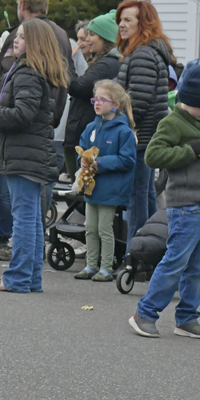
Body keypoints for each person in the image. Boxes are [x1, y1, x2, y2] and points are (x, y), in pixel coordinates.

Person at [128, 63, 200, 338]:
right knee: (176, 261)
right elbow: (152, 155)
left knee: (198, 266)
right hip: (186, 207)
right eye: (199, 106)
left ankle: (187, 318)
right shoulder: (172, 123)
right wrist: (188, 151)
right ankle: (144, 313)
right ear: (185, 100)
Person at [0, 20, 67, 292]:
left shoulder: (29, 71)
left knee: (25, 218)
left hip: (24, 153)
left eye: (21, 37)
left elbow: (23, 114)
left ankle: (17, 277)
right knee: (31, 218)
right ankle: (31, 278)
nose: (15, 40)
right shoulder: (34, 69)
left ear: (36, 42)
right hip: (30, 152)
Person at [115, 0, 175, 234]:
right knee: (146, 194)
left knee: (138, 198)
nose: (121, 24)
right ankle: (148, 249)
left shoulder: (142, 54)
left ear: (144, 24)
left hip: (140, 137)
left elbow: (137, 102)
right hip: (147, 137)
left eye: (128, 19)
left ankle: (136, 256)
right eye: (120, 19)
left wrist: (117, 117)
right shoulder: (148, 51)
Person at [74, 80, 137, 281]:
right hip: (92, 187)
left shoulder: (123, 131)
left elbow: (127, 160)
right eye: (95, 99)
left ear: (116, 104)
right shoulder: (91, 127)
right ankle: (91, 265)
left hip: (111, 188)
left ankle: (106, 268)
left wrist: (99, 163)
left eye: (102, 99)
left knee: (104, 228)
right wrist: (82, 161)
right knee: (90, 227)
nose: (97, 103)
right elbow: (82, 149)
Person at [64, 10, 122, 174]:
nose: (87, 40)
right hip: (85, 133)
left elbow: (78, 87)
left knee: (82, 190)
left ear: (105, 38)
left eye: (92, 35)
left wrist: (68, 61)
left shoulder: (107, 65)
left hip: (86, 136)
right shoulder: (106, 62)